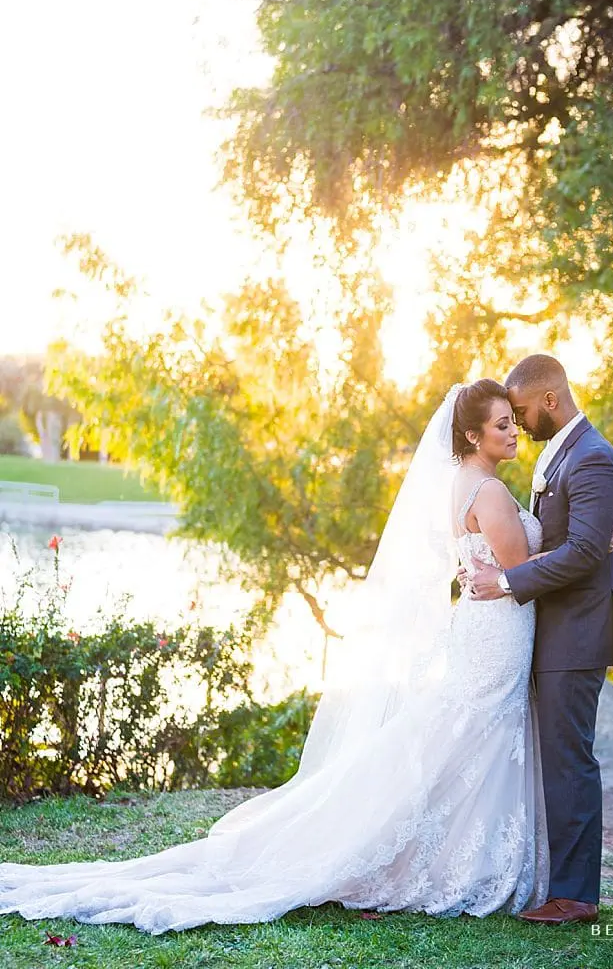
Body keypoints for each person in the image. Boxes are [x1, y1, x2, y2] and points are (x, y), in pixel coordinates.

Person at [0, 381, 559, 935]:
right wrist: (579, 551)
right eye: (502, 424)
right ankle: (457, 861)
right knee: (473, 735)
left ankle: (450, 851)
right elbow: (516, 569)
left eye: (513, 421)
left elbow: (502, 567)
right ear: (471, 433)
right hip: (495, 632)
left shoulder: (462, 481)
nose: (513, 432)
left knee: (463, 737)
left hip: (486, 629)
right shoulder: (486, 491)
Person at [467, 354, 613, 926]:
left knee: (569, 762)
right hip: (555, 630)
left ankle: (576, 895)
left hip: (577, 634)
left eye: (522, 410)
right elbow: (579, 542)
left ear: (550, 401)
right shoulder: (565, 458)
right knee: (558, 759)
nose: (519, 421)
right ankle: (558, 883)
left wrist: (508, 580)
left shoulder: (593, 461)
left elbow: (585, 552)